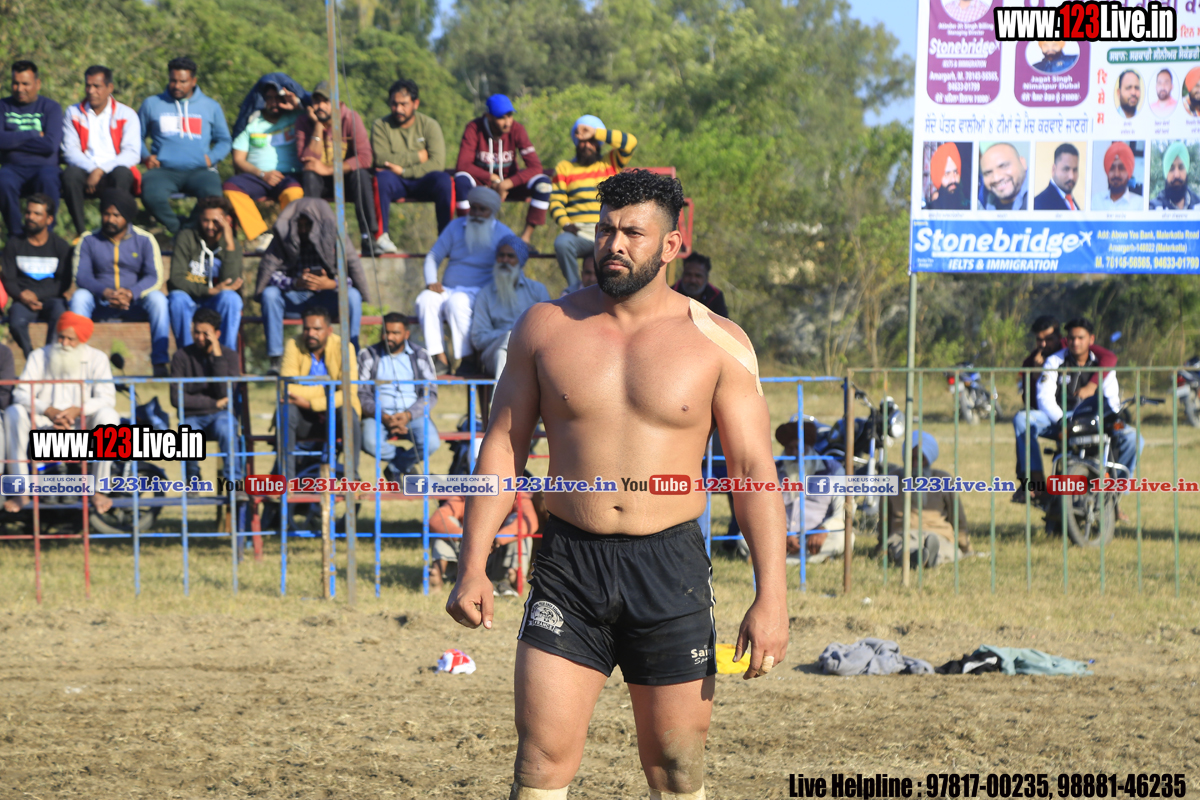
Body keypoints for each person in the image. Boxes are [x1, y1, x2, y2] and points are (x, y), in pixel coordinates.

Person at [445, 170, 788, 800]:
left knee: (676, 766)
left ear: (671, 245)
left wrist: (773, 596)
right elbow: (502, 449)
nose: (614, 245)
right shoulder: (544, 327)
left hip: (670, 568)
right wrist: (473, 565)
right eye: (606, 230)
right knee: (540, 761)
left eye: (633, 232)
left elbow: (752, 475)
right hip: (569, 565)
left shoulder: (719, 342)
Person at [4, 312, 119, 514]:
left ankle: (98, 489)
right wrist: (48, 410)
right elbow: (21, 393)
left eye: (70, 339)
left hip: (82, 424)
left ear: (82, 340)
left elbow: (107, 397)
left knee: (109, 416)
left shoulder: (97, 358)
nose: (64, 343)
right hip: (43, 422)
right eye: (61, 337)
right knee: (14, 412)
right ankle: (21, 490)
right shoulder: (39, 356)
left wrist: (79, 410)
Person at [1015, 318, 1139, 499]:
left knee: (1133, 438)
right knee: (1022, 419)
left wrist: (1104, 418)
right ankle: (1037, 483)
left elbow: (1112, 400)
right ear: (1066, 339)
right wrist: (1063, 420)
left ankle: (1114, 496)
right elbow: (1044, 398)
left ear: (1091, 339)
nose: (1076, 342)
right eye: (1072, 338)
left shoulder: (1103, 365)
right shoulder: (1054, 361)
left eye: (1081, 338)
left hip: (1094, 421)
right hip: (1061, 420)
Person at [255, 197, 371, 376]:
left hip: (327, 297)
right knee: (269, 294)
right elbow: (270, 274)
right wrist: (295, 282)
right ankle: (275, 359)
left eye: (307, 225)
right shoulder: (284, 240)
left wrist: (331, 283)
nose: (303, 230)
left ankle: (352, 353)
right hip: (296, 297)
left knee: (353, 296)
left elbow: (352, 276)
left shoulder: (335, 239)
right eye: (299, 225)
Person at [70, 190, 169, 376]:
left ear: (127, 216)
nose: (110, 219)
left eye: (116, 215)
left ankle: (160, 362)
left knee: (159, 300)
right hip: (100, 302)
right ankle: (77, 363)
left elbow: (153, 276)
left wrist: (131, 293)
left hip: (134, 302)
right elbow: (82, 276)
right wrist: (106, 292)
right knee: (79, 297)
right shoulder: (89, 240)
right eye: (106, 214)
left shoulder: (145, 239)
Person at [416, 186, 514, 374]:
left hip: (480, 292)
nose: (476, 214)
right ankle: (439, 358)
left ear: (492, 211)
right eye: (473, 208)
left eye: (482, 209)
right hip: (447, 288)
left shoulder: (504, 233)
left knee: (457, 302)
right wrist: (431, 281)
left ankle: (467, 359)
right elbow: (433, 257)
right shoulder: (456, 226)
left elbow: (514, 261)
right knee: (425, 299)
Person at [137, 57, 230, 235]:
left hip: (200, 170)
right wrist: (146, 156)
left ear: (193, 81)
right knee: (150, 195)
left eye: (183, 81)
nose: (177, 86)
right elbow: (136, 136)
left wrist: (211, 158)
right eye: (173, 80)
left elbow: (224, 140)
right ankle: (179, 230)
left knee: (213, 197)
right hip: (164, 170)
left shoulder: (211, 106)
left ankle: (189, 231)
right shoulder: (152, 104)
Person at [549, 115, 639, 290]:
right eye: (582, 141)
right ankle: (575, 288)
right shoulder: (565, 167)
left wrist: (596, 132)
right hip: (579, 231)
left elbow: (630, 143)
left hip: (608, 229)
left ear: (598, 142)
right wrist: (565, 223)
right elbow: (556, 201)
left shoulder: (610, 162)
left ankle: (615, 288)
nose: (587, 145)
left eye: (591, 141)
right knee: (562, 243)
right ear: (576, 143)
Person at [277, 304, 360, 481]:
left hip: (333, 416)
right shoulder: (293, 344)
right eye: (306, 329)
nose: (311, 333)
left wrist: (310, 403)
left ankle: (351, 479)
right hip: (303, 418)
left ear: (329, 330)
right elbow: (287, 388)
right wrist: (330, 390)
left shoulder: (344, 347)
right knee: (286, 412)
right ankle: (286, 481)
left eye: (317, 329)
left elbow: (348, 392)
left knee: (348, 414)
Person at [294, 81, 378, 254]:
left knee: (362, 175)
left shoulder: (350, 118)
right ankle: (312, 238)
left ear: (336, 103)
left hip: (346, 179)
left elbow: (365, 158)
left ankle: (368, 235)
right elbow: (307, 160)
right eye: (316, 101)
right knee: (309, 175)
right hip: (319, 182)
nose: (320, 106)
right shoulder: (303, 121)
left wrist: (329, 170)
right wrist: (317, 127)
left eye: (326, 101)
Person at [453, 94, 549, 244]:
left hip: (510, 184)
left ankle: (525, 239)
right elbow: (463, 165)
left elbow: (535, 166)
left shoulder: (517, 129)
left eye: (510, 116)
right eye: (501, 118)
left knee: (543, 184)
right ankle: (468, 236)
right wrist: (492, 178)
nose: (508, 122)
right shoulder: (474, 128)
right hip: (482, 185)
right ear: (489, 117)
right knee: (461, 180)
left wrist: (507, 183)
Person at [358, 312, 441, 482]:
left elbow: (430, 393)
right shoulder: (368, 355)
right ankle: (404, 461)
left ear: (406, 334)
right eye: (386, 332)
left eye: (395, 333)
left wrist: (408, 415)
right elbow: (362, 393)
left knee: (431, 443)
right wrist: (383, 416)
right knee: (369, 442)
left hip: (412, 415)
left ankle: (395, 467)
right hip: (378, 415)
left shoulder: (420, 355)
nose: (389, 337)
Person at [222, 83, 306, 250]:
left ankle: (289, 236)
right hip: (258, 176)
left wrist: (296, 104)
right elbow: (238, 159)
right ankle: (261, 235)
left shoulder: (296, 117)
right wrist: (262, 174)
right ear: (262, 100)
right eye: (269, 98)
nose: (274, 102)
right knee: (230, 188)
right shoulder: (251, 123)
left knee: (294, 193)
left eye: (278, 98)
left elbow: (315, 113)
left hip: (288, 176)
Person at [61, 65, 141, 237]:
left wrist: (101, 170)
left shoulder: (126, 114)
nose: (91, 91)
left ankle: (117, 231)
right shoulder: (73, 112)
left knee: (122, 173)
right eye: (88, 85)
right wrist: (92, 169)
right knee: (70, 176)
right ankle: (81, 233)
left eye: (96, 86)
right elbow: (70, 150)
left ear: (109, 88)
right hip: (85, 170)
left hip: (113, 170)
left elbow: (132, 153)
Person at [372, 78, 451, 249]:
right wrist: (417, 156)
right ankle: (380, 237)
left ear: (416, 104)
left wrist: (403, 171)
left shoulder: (430, 125)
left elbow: (437, 163)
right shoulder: (381, 126)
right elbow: (380, 158)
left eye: (404, 104)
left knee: (444, 181)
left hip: (423, 180)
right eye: (394, 104)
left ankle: (446, 239)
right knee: (381, 179)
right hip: (394, 180)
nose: (398, 109)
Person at [169, 307, 241, 485]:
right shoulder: (181, 356)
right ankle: (192, 481)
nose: (200, 338)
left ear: (217, 334)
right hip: (192, 416)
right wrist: (214, 403)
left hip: (221, 416)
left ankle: (234, 483)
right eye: (196, 332)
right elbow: (176, 398)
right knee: (187, 432)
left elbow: (226, 393)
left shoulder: (229, 356)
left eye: (206, 334)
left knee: (227, 428)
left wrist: (217, 355)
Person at [167, 195, 244, 350]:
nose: (210, 226)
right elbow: (176, 278)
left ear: (226, 220)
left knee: (231, 299)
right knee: (177, 298)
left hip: (215, 302)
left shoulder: (232, 244)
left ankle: (225, 355)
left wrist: (229, 244)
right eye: (205, 220)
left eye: (215, 221)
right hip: (191, 300)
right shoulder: (186, 237)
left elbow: (231, 283)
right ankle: (187, 356)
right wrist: (210, 290)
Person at [470, 235, 550, 379]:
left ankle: (499, 395)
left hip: (530, 350)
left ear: (520, 260)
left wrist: (518, 337)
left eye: (510, 256)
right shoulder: (485, 294)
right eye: (501, 255)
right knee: (502, 351)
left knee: (505, 352)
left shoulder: (537, 290)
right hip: (493, 353)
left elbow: (548, 329)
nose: (505, 260)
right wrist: (509, 335)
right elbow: (478, 339)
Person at [429, 491, 539, 596]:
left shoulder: (516, 494)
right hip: (466, 559)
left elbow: (530, 522)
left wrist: (498, 539)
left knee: (520, 526)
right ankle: (438, 572)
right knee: (445, 528)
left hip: (497, 558)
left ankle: (514, 575)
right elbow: (436, 519)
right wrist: (466, 536)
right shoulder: (465, 496)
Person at [1, 194, 71, 357]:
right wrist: (22, 295)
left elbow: (63, 282)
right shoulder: (14, 244)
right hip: (22, 300)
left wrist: (37, 295)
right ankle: (31, 357)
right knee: (16, 323)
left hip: (52, 300)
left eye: (37, 214)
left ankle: (48, 357)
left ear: (49, 219)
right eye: (28, 212)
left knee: (60, 315)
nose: (30, 217)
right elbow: (8, 279)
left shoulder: (60, 246)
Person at [768, 420, 846, 566]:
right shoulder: (774, 471)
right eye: (789, 448)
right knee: (743, 538)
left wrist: (823, 530)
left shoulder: (832, 470)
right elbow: (765, 511)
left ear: (809, 447)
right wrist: (782, 534)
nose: (794, 454)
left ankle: (775, 560)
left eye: (799, 448)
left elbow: (842, 511)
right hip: (780, 536)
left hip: (817, 536)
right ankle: (814, 558)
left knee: (842, 538)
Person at [885, 438, 971, 569]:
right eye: (911, 459)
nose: (915, 464)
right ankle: (917, 557)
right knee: (902, 547)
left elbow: (958, 518)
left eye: (920, 459)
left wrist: (965, 546)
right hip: (904, 534)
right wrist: (881, 544)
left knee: (944, 549)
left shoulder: (943, 480)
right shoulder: (892, 479)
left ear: (929, 459)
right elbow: (884, 518)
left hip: (938, 535)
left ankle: (931, 557)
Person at [0, 61, 63, 238]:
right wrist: (34, 134)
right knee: (2, 181)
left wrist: (11, 140)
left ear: (37, 84)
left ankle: (46, 236)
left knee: (49, 179)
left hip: (45, 168)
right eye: (15, 83)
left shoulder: (51, 107)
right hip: (12, 169)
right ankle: (15, 236)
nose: (20, 89)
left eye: (25, 84)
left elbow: (50, 145)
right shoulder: (2, 106)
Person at [671, 252, 728, 317]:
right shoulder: (671, 293)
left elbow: (722, 320)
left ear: (706, 278)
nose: (693, 280)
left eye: (698, 276)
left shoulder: (715, 296)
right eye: (688, 275)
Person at [1150, 142, 1200, 210]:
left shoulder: (1198, 205)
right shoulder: (1153, 208)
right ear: (1165, 174)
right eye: (1171, 169)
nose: (1176, 175)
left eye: (1181, 168)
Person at [1093, 142, 1142, 211]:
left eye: (1121, 168)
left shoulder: (1139, 205)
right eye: (1112, 168)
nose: (1116, 174)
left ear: (1129, 173)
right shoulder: (1096, 201)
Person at [979, 142, 1028, 211]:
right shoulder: (984, 199)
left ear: (1022, 163)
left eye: (1003, 166)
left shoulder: (1037, 202)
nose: (996, 178)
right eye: (988, 173)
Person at [1033, 143, 1081, 211]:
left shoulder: (1070, 200)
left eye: (1075, 170)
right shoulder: (1038, 204)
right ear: (1054, 170)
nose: (1071, 176)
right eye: (1066, 169)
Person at [924, 142, 969, 210]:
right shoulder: (929, 210)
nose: (953, 179)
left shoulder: (970, 206)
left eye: (955, 172)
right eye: (947, 174)